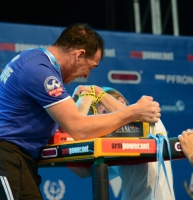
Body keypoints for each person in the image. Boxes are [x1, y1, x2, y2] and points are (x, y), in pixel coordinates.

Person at [0, 23, 161, 199]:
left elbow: (69, 126)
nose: (86, 76)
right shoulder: (40, 71)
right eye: (90, 67)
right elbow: (79, 129)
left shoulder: (36, 60)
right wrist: (133, 112)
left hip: (17, 159)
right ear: (79, 55)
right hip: (7, 157)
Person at [71, 85, 175, 200]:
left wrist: (97, 91)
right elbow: (83, 172)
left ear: (124, 102)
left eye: (106, 111)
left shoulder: (151, 121)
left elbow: (131, 118)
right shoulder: (109, 143)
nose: (108, 119)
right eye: (103, 114)